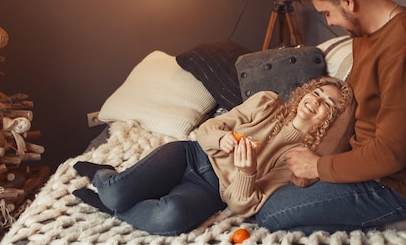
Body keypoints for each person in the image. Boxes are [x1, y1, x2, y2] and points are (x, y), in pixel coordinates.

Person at [256, 0, 406, 234]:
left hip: (395, 186)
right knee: (273, 196)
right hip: (364, 167)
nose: (329, 22)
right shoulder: (364, 33)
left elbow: (390, 155)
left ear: (348, 1)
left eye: (327, 12)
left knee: (272, 216)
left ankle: (403, 221)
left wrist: (318, 167)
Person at [72, 76, 354, 236]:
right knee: (115, 190)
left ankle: (118, 211)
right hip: (191, 155)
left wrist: (246, 172)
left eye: (327, 103)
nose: (315, 100)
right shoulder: (267, 103)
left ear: (332, 120)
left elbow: (243, 206)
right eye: (316, 92)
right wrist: (223, 138)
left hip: (210, 191)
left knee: (170, 217)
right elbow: (208, 127)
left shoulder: (301, 161)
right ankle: (104, 173)